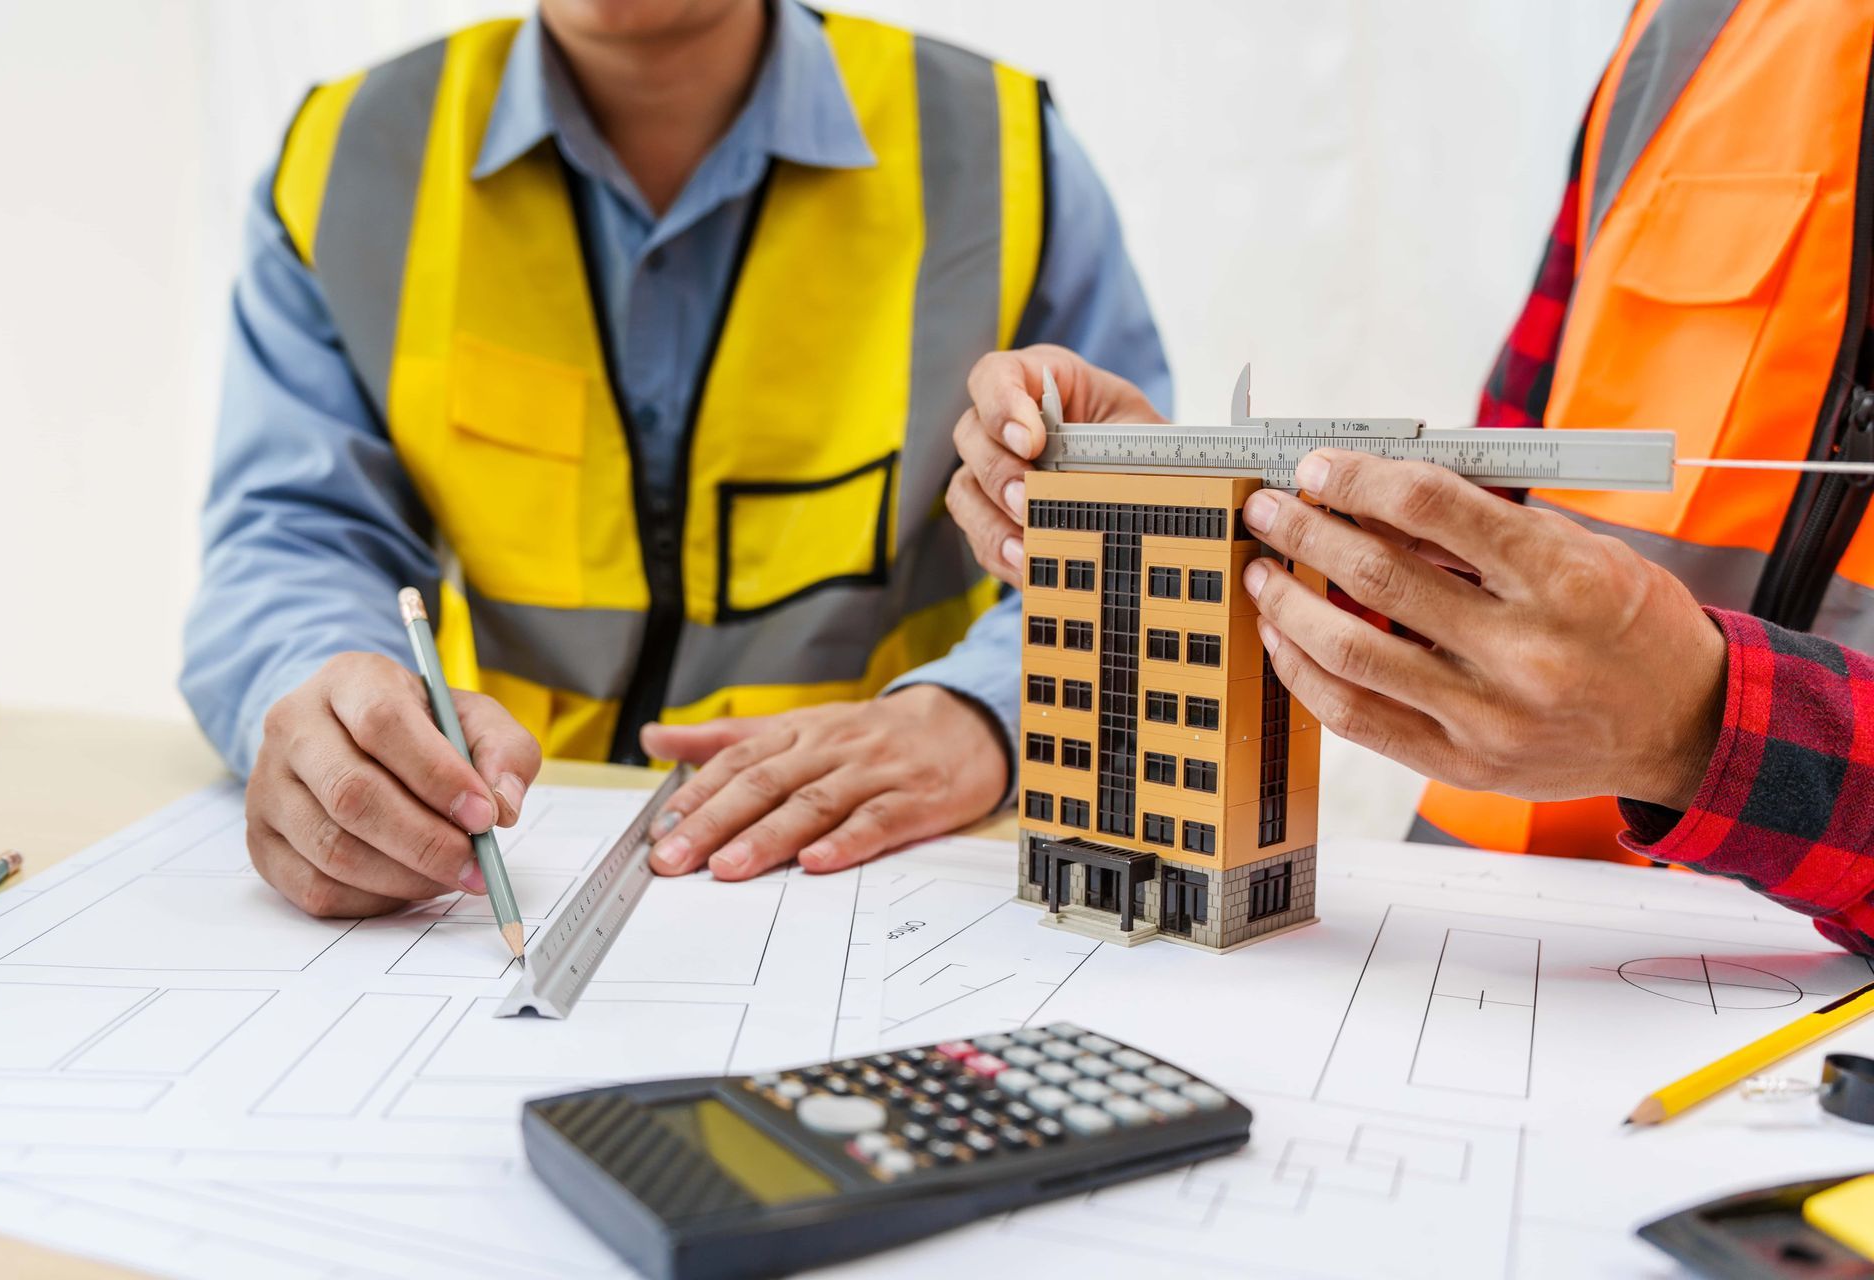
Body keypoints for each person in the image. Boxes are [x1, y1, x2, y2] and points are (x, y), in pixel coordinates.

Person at [182, 0, 1168, 918]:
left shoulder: (997, 151)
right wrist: (331, 713)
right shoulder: (354, 157)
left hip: (897, 875)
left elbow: (1146, 548)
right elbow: (291, 535)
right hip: (523, 858)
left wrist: (983, 716)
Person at [945, 0, 1874, 954]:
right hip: (1508, 933)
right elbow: (1488, 528)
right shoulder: (1691, 28)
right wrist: (1190, 513)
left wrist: (1699, 729)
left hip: (1794, 1025)